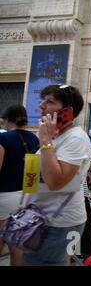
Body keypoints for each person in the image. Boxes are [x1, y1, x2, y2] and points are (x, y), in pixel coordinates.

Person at [21, 84, 91, 266]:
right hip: (42, 217)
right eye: (43, 100)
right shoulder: (56, 136)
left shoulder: (75, 137)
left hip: (58, 222)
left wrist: (44, 140)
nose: (41, 106)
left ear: (67, 111)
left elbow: (55, 181)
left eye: (50, 101)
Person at [0, 105, 39, 265]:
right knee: (17, 249)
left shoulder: (3, 138)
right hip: (26, 197)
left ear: (8, 120)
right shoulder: (35, 139)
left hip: (4, 196)